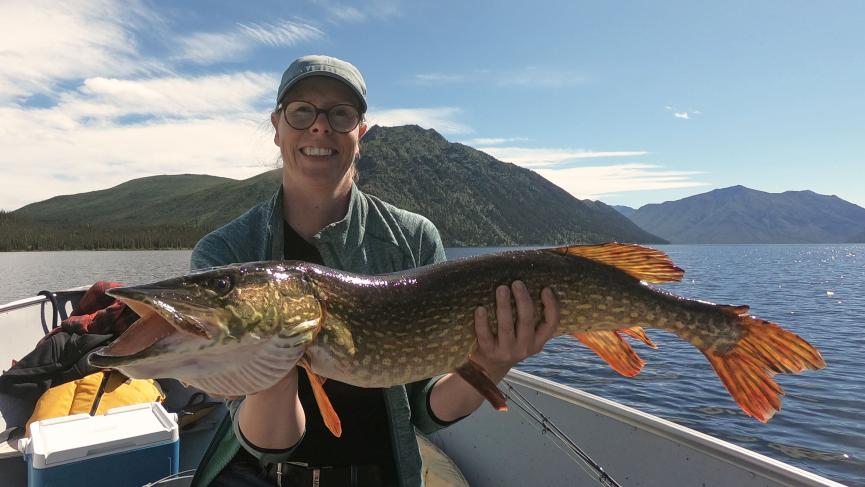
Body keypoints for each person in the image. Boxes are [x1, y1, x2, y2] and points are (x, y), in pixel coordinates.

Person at [188, 55, 561, 487]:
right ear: (277, 126)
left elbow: (427, 409)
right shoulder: (227, 255)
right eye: (302, 111)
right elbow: (268, 442)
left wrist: (495, 361)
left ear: (360, 133)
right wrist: (273, 357)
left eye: (340, 114)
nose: (320, 126)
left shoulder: (413, 238)